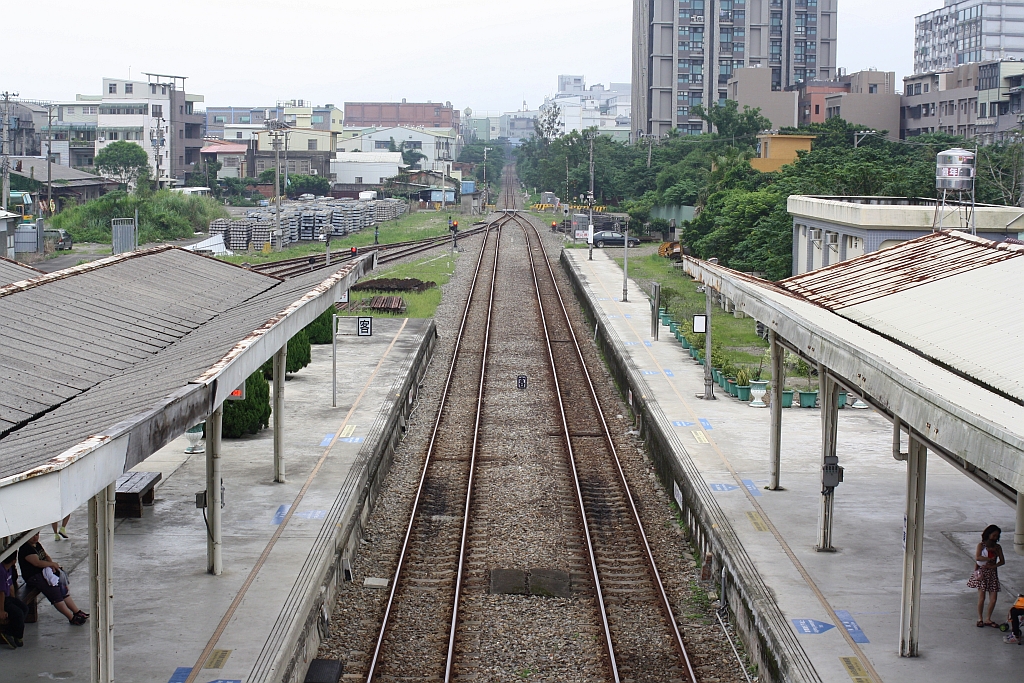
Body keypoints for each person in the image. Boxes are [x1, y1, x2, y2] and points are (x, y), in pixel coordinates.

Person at [17, 533, 88, 625]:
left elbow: (46, 556)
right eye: (33, 535)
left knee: (63, 589)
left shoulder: (37, 544)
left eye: (37, 535)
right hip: (34, 576)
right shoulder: (26, 548)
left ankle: (76, 611)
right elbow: (37, 563)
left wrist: (52, 565)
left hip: (45, 573)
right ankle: (71, 618)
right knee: (55, 593)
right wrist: (52, 564)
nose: (35, 537)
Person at [967, 524, 1006, 627]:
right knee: (982, 597)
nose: (995, 538)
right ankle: (980, 618)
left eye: (997, 536)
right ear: (988, 534)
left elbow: (1002, 561)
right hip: (983, 573)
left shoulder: (997, 547)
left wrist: (993, 565)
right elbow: (978, 557)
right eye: (994, 535)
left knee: (993, 599)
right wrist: (989, 558)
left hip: (993, 574)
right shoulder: (981, 545)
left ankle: (988, 618)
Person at [0, 554, 26, 648]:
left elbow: (10, 586)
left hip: (7, 597)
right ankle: (12, 634)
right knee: (18, 613)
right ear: (14, 561)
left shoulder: (9, 568)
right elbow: (1, 593)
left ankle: (13, 632)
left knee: (24, 608)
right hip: (1, 599)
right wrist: (1, 610)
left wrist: (14, 600)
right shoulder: (1, 571)